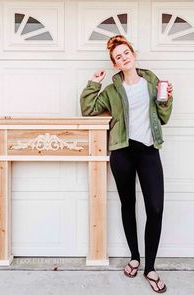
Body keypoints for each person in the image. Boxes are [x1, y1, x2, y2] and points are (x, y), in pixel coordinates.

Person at [80, 35, 173, 293]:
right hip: (122, 152)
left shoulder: (152, 82)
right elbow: (88, 109)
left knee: (155, 208)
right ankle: (135, 256)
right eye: (118, 57)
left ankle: (150, 267)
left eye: (126, 52)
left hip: (149, 150)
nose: (124, 57)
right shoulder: (111, 91)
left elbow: (163, 117)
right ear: (116, 64)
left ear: (134, 53)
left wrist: (166, 100)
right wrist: (93, 84)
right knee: (128, 205)